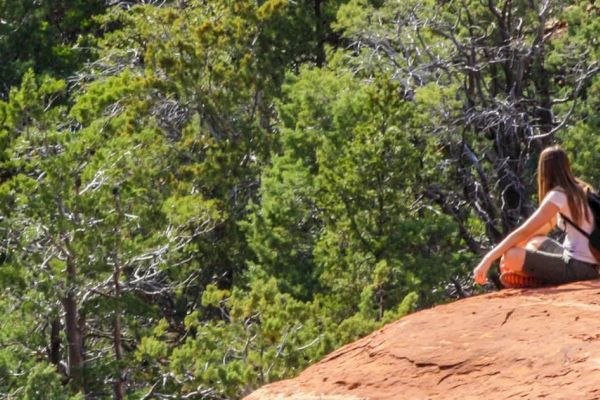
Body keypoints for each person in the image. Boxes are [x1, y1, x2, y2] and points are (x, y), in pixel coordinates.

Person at [473, 145, 599, 287]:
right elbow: (540, 231)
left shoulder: (558, 195)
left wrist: (489, 259)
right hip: (588, 264)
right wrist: (516, 246)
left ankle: (538, 279)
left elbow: (525, 230)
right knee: (536, 241)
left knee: (511, 256)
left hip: (578, 268)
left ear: (544, 170)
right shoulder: (582, 189)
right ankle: (536, 275)